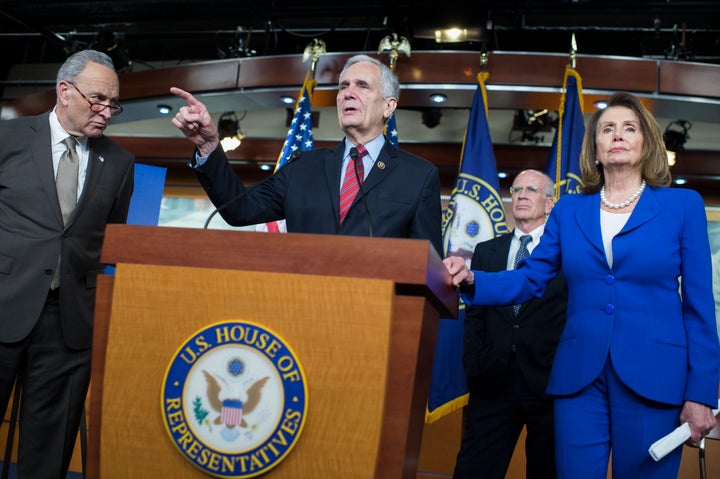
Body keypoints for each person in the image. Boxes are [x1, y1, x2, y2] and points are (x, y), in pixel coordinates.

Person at [444, 92, 720, 478]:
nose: (618, 135)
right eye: (608, 129)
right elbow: (530, 277)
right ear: (595, 146)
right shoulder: (570, 209)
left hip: (655, 377)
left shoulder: (683, 206)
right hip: (579, 379)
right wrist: (474, 278)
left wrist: (701, 393)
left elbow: (698, 306)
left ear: (646, 143)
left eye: (629, 128)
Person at [0, 50, 135, 478]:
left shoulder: (119, 163)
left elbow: (107, 241)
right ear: (64, 91)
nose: (107, 111)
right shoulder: (8, 139)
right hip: (3, 306)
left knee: (48, 456)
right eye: (98, 99)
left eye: (113, 103)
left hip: (69, 326)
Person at [169, 54, 442, 254]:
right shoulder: (303, 166)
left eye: (362, 86)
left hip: (378, 315)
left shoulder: (417, 176)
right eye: (343, 86)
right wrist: (208, 146)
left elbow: (429, 265)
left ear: (388, 106)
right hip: (303, 308)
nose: (348, 93)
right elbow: (240, 209)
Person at [453, 169, 568, 479]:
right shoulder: (485, 251)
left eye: (531, 189)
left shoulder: (567, 253)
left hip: (549, 383)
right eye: (516, 189)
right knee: (474, 470)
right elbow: (474, 317)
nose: (521, 194)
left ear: (549, 203)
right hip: (493, 379)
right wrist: (474, 363)